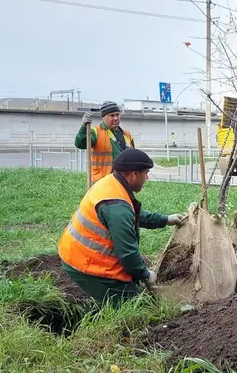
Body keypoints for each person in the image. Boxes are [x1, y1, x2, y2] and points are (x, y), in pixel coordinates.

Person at [58, 148, 185, 306]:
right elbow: (127, 253)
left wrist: (164, 220)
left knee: (128, 293)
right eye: (145, 173)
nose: (147, 177)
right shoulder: (117, 207)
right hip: (87, 264)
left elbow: (132, 214)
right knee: (138, 307)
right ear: (134, 174)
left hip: (75, 252)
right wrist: (145, 274)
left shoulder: (112, 183)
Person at [76, 100, 135, 184]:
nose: (115, 118)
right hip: (102, 182)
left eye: (117, 115)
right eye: (111, 115)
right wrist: (84, 127)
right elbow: (80, 144)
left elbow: (134, 157)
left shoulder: (127, 135)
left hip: (123, 182)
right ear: (103, 117)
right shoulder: (95, 132)